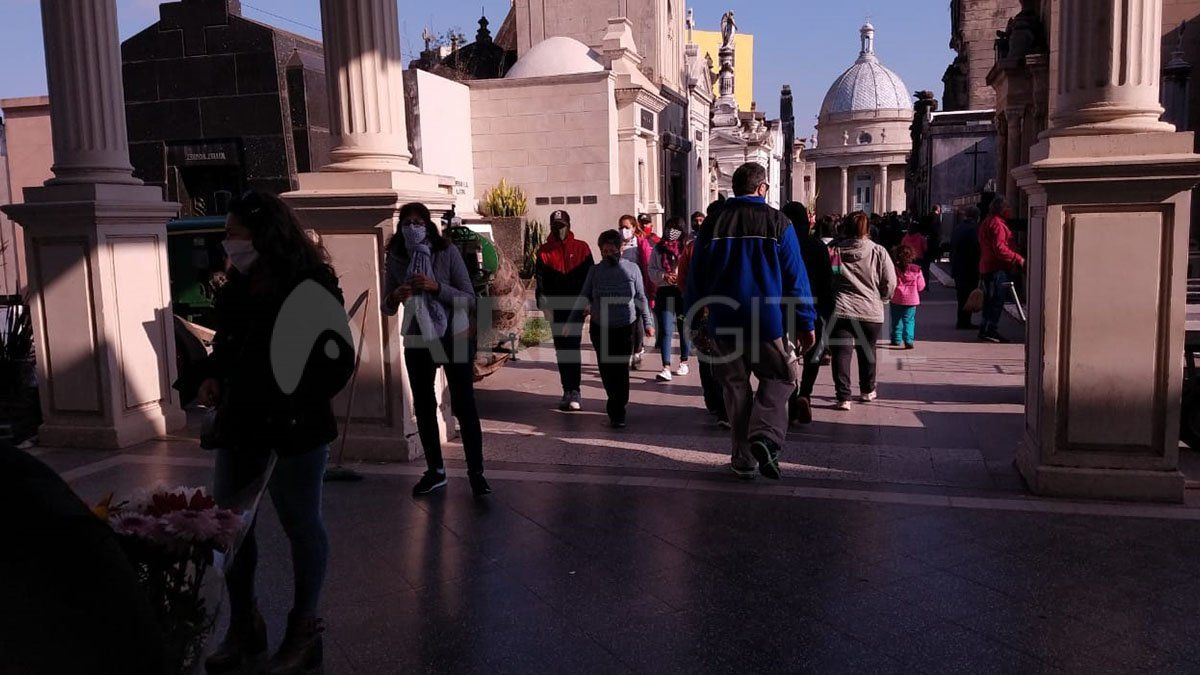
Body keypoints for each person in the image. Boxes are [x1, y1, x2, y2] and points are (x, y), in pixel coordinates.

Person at [199, 190, 354, 675]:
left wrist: (291, 398)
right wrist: (213, 376)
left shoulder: (310, 283)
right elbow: (226, 345)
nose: (227, 242)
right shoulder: (238, 285)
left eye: (233, 233)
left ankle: (303, 629)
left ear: (262, 234)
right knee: (231, 527)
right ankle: (245, 625)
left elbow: (337, 361)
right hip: (242, 422)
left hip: (296, 428)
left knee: (300, 522)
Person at [687, 162, 817, 480]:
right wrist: (806, 321)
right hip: (767, 320)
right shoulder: (778, 222)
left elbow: (696, 275)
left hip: (723, 319)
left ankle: (742, 457)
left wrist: (693, 316)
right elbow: (795, 277)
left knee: (734, 387)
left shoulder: (713, 223)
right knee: (783, 377)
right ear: (762, 188)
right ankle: (766, 436)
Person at [382, 202, 491, 498]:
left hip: (453, 334)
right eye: (407, 223)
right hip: (418, 337)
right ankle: (436, 470)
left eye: (418, 222)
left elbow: (469, 298)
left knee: (464, 404)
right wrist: (395, 295)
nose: (412, 227)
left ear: (428, 225)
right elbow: (386, 307)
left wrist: (435, 287)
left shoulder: (447, 252)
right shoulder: (395, 258)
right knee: (425, 406)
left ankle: (476, 473)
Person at [576, 229, 654, 427]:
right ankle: (614, 402)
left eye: (612, 250)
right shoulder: (594, 271)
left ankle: (618, 409)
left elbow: (641, 297)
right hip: (600, 328)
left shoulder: (632, 269)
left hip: (625, 326)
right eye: (604, 251)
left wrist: (648, 322)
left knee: (620, 369)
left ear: (620, 248)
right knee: (606, 369)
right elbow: (584, 295)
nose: (608, 254)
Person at [828, 211, 897, 411]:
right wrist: (884, 297)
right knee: (868, 351)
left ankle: (843, 397)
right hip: (870, 310)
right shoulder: (878, 251)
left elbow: (832, 276)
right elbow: (890, 281)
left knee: (841, 354)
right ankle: (867, 390)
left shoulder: (834, 251)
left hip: (842, 308)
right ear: (867, 229)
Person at [535, 209, 594, 411]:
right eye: (555, 226)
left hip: (576, 308)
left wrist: (589, 302)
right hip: (556, 309)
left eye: (562, 225)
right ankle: (566, 389)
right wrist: (544, 306)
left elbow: (590, 276)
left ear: (569, 225)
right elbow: (540, 282)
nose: (558, 229)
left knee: (572, 347)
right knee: (562, 350)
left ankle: (575, 390)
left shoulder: (582, 248)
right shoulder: (543, 251)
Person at [782, 201, 833, 425]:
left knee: (788, 356)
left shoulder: (781, 245)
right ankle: (806, 393)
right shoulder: (818, 246)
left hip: (784, 307)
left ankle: (793, 398)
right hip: (814, 307)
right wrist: (828, 311)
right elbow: (827, 282)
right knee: (813, 355)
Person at [679, 201, 729, 427]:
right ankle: (722, 405)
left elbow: (683, 281)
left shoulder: (694, 246)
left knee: (707, 358)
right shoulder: (732, 244)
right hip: (724, 311)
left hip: (702, 311)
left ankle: (714, 401)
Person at [649, 216, 692, 381]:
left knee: (683, 328)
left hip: (682, 293)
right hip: (665, 292)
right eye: (668, 228)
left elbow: (692, 269)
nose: (671, 232)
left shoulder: (687, 248)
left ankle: (684, 362)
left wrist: (681, 277)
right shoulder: (658, 249)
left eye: (675, 229)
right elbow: (651, 269)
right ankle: (665, 366)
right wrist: (663, 276)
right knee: (666, 330)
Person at [978, 195, 1024, 343]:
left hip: (987, 265)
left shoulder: (987, 222)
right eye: (1008, 207)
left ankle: (984, 328)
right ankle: (991, 329)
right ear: (1002, 209)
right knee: (996, 299)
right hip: (997, 267)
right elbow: (1000, 248)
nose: (1010, 210)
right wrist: (1018, 258)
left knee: (989, 300)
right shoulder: (998, 224)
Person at [619, 214, 655, 369]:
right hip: (620, 289)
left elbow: (647, 264)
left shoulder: (640, 243)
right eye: (621, 227)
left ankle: (638, 352)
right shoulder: (616, 244)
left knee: (638, 321)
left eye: (626, 227)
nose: (623, 230)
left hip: (638, 287)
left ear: (634, 228)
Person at [949, 206, 982, 330]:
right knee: (968, 295)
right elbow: (975, 250)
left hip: (958, 267)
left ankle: (962, 320)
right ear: (976, 216)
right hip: (969, 268)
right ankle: (964, 321)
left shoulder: (958, 228)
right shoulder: (974, 229)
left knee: (961, 295)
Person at [889, 244, 926, 349]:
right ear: (912, 256)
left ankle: (896, 339)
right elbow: (921, 286)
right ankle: (908, 340)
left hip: (896, 299)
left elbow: (891, 283)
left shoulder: (894, 270)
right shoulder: (916, 270)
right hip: (912, 300)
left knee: (896, 320)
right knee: (909, 320)